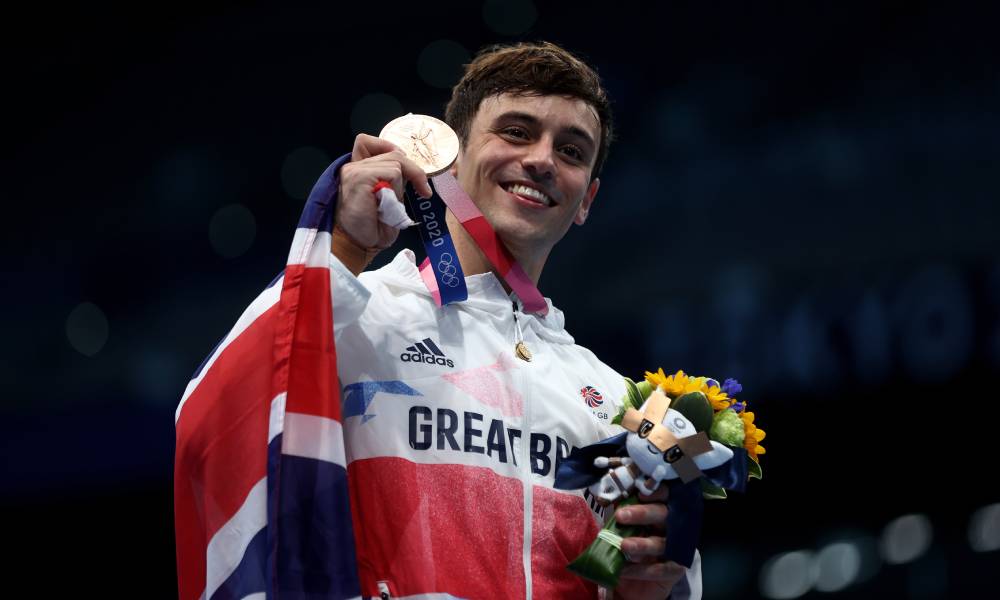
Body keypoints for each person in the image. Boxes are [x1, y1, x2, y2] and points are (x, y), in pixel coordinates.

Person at [326, 42, 700, 599]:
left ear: (587, 199)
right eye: (517, 132)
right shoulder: (355, 313)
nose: (544, 161)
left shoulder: (615, 398)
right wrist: (341, 252)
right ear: (450, 161)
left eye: (572, 151)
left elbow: (660, 578)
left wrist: (647, 588)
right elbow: (226, 415)